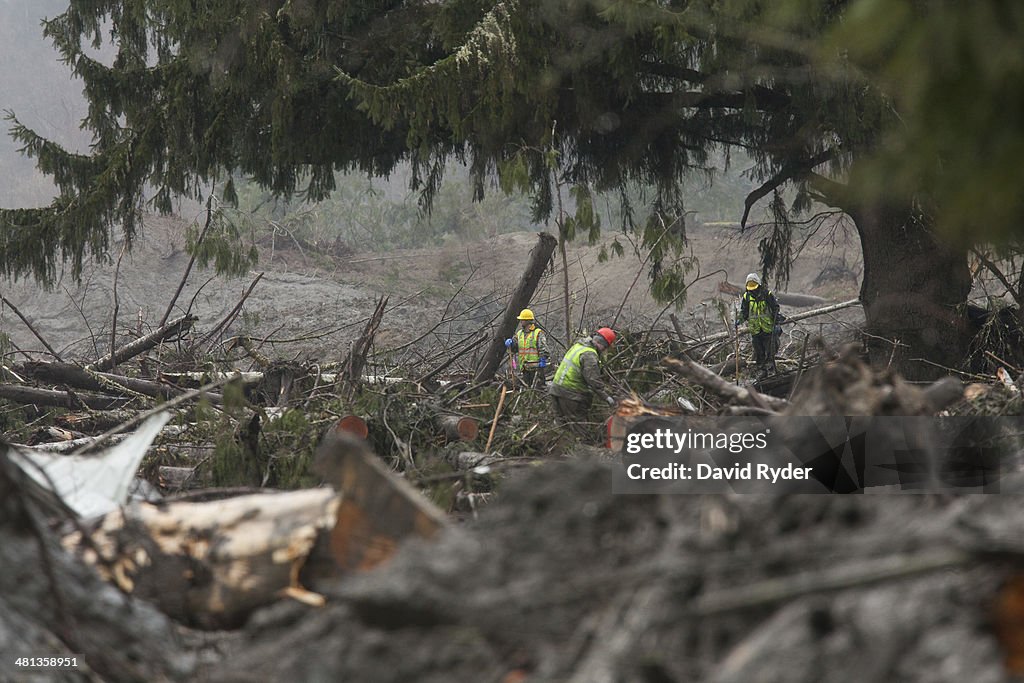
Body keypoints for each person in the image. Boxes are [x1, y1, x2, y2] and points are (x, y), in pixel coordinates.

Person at [548, 327, 617, 431]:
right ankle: (582, 446)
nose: (604, 350)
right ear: (602, 344)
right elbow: (593, 380)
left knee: (561, 427)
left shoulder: (578, 346)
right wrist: (607, 398)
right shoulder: (589, 355)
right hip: (571, 394)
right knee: (579, 428)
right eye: (605, 348)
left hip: (556, 389)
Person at [736, 272, 780, 378]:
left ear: (758, 284)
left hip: (767, 328)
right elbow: (744, 312)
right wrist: (739, 320)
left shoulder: (767, 294)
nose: (752, 290)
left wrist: (776, 319)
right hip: (755, 329)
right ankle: (761, 371)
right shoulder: (747, 297)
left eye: (754, 287)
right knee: (759, 352)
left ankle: (771, 371)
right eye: (750, 287)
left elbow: (775, 307)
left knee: (770, 351)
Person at [504, 308, 549, 387]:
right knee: (527, 389)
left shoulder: (538, 333)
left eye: (522, 320)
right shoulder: (519, 334)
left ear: (527, 320)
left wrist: (543, 360)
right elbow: (515, 348)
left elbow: (543, 349)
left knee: (538, 389)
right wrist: (511, 343)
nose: (521, 321)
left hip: (536, 369)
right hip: (524, 368)